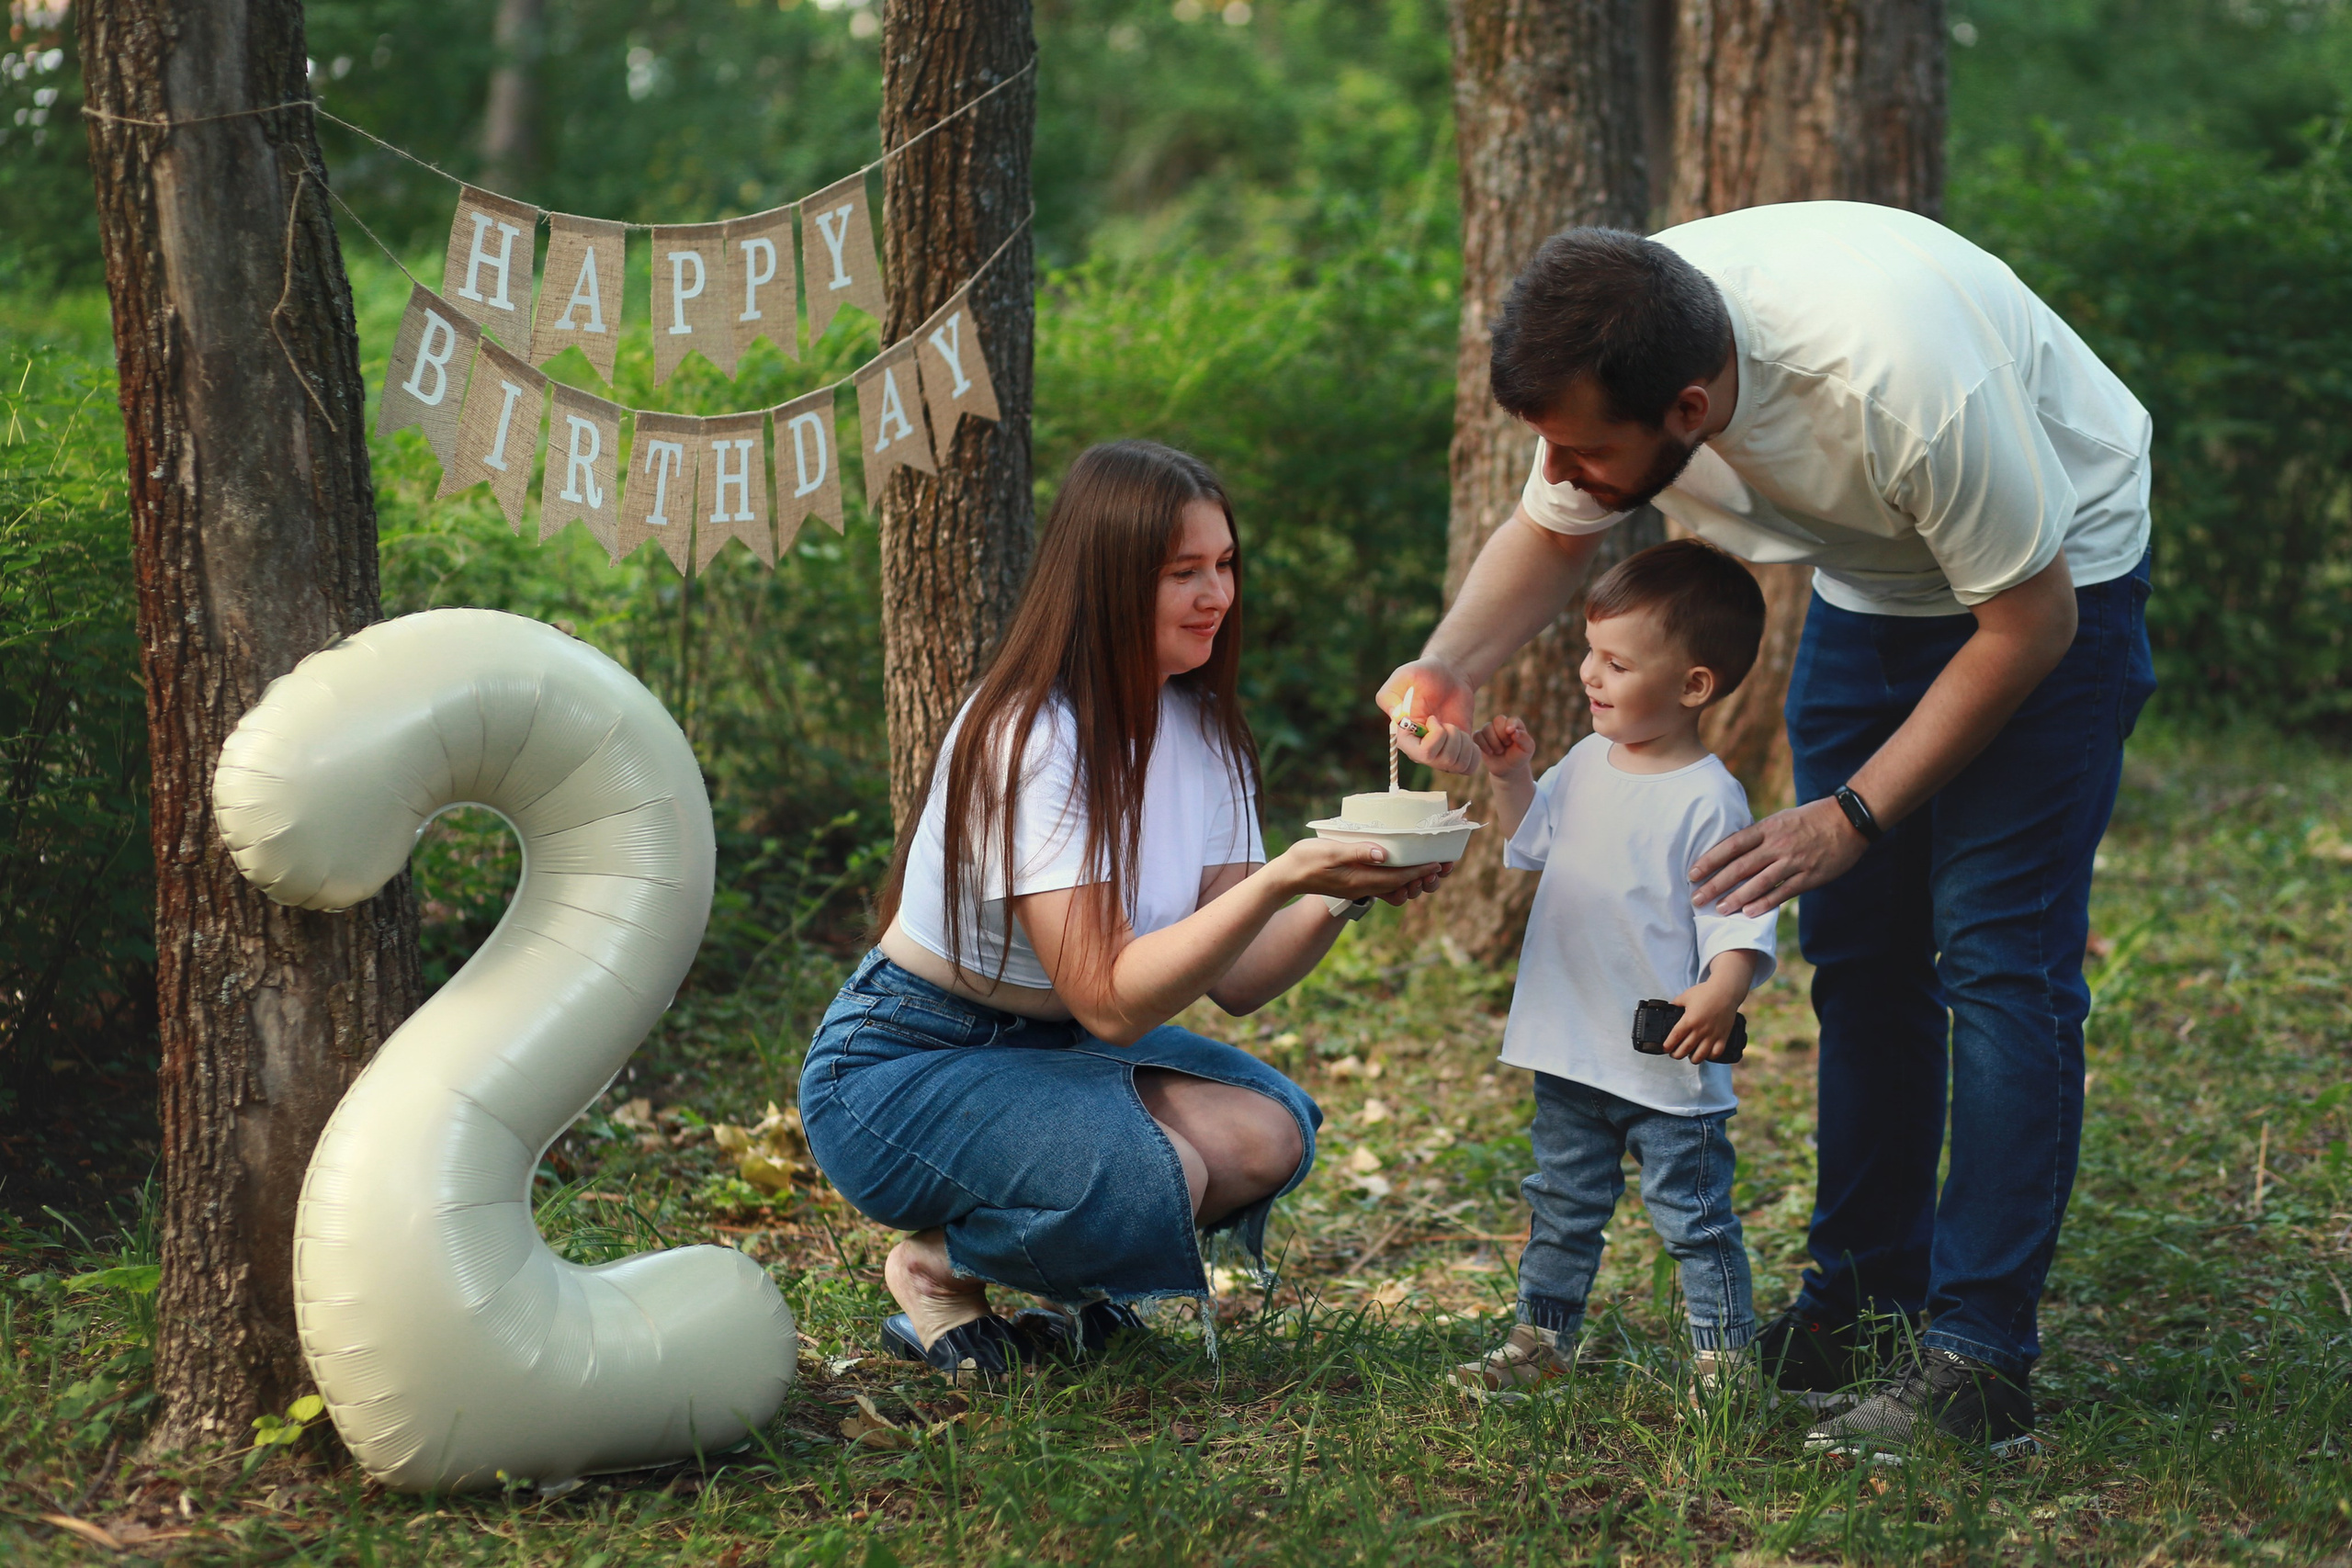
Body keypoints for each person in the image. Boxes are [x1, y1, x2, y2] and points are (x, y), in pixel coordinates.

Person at [1385, 203, 2156, 1460]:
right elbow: (1551, 533)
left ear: (1689, 410)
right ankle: (1861, 1302)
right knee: (1859, 954)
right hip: (1878, 581)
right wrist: (1449, 665)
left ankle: (1980, 1360)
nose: (1561, 472)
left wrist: (1851, 813)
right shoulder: (1623, 337)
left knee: (1997, 956)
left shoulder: (1903, 385)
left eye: (1585, 451)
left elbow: (2031, 624)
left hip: (2058, 574)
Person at [802, 439, 1450, 1379]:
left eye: (1224, 564)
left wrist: (1339, 894)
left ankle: (1068, 1281)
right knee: (1161, 1171)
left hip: (1056, 1049)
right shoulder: (1034, 736)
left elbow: (1239, 977)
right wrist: (1284, 876)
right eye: (1183, 572)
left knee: (1269, 1133)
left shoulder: (1204, 728)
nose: (1216, 595)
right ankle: (938, 1270)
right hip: (906, 1059)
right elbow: (1110, 1000)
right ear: (1107, 580)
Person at [1445, 539, 1779, 1405]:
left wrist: (1723, 988)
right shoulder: (1587, 761)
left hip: (1663, 1063)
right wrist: (1513, 776)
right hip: (1570, 1048)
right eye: (1591, 651)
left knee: (1694, 1220)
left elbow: (1737, 914)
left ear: (1693, 685)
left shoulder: (1709, 797)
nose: (1590, 673)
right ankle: (1541, 1345)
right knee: (1561, 1204)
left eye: (1617, 663)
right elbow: (1535, 842)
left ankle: (1724, 1368)